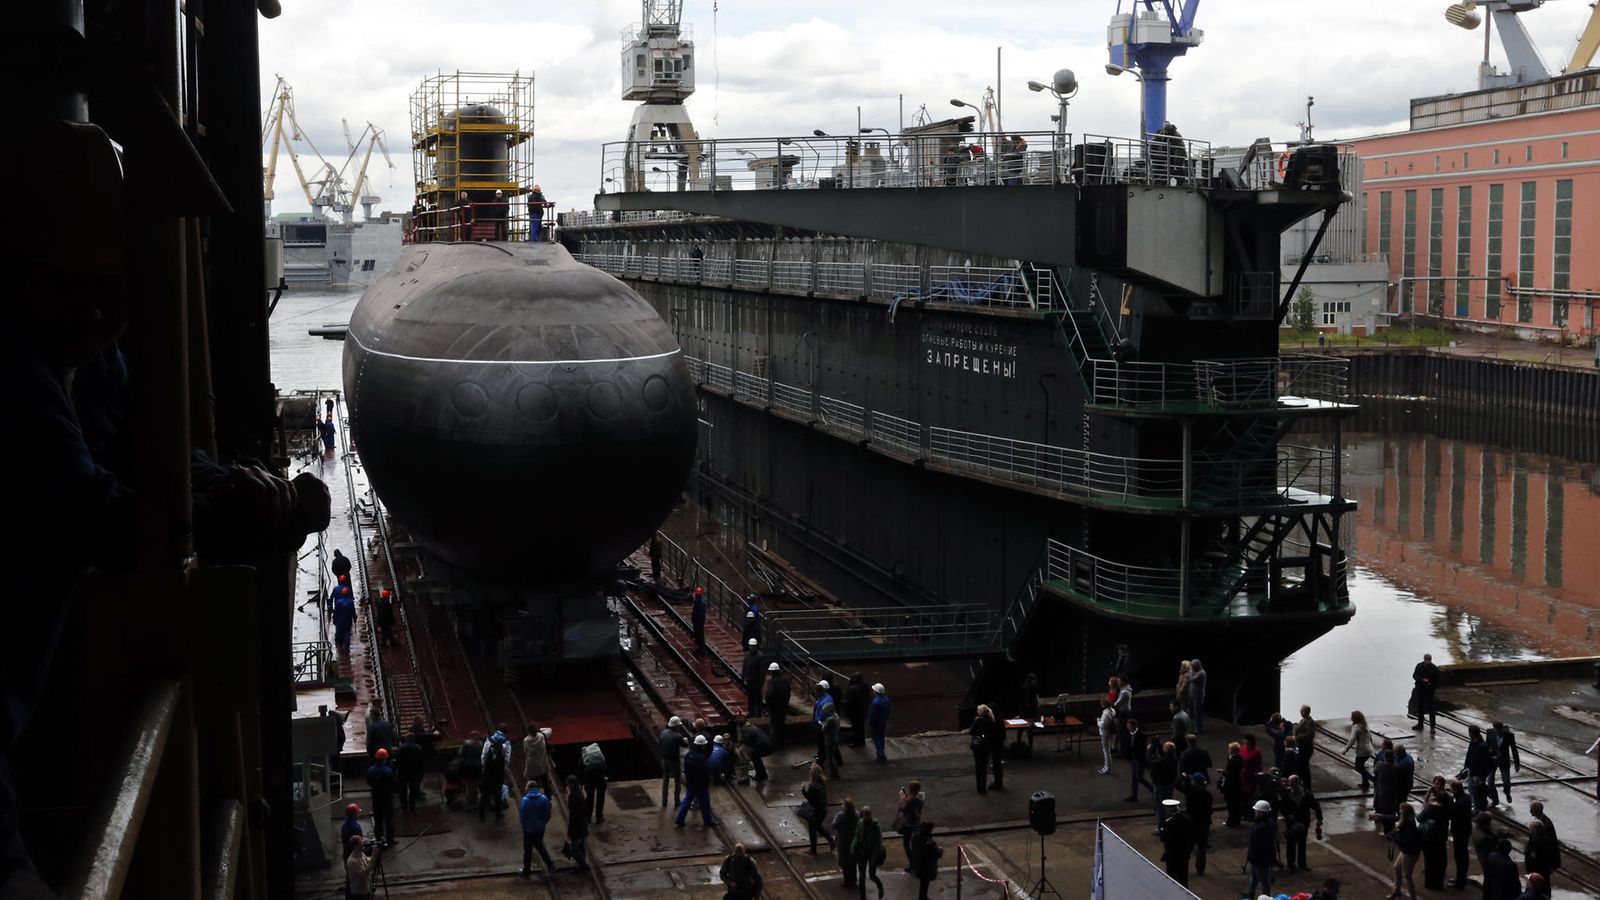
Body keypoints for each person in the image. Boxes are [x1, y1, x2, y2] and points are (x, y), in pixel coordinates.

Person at [1280, 773, 1322, 871]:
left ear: (1297, 782)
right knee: (1291, 844)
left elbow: (1316, 805)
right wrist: (1288, 815)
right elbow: (1282, 807)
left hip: (1302, 822)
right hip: (1292, 823)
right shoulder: (1287, 794)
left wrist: (1320, 818)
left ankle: (1301, 864)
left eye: (1291, 782)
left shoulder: (1306, 794)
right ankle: (1291, 865)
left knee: (1301, 844)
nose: (1289, 783)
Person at [675, 734, 717, 828]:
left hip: (690, 783)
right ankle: (708, 820)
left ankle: (679, 819)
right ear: (702, 745)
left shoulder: (688, 755)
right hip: (701, 784)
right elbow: (706, 772)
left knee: (686, 801)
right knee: (705, 803)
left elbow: (685, 768)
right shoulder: (702, 758)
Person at [518, 781, 554, 877]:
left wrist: (525, 827)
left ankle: (526, 871)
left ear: (528, 788)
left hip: (529, 830)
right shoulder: (544, 798)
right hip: (540, 829)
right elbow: (548, 814)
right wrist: (543, 823)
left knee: (528, 851)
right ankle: (550, 864)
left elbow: (523, 817)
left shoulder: (525, 800)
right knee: (539, 845)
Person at [1158, 798, 1195, 887]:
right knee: (1183, 877)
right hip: (1184, 853)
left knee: (1172, 878)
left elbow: (1164, 838)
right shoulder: (1187, 819)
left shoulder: (1169, 823)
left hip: (1172, 854)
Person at [1181, 772, 1213, 875]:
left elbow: (1178, 785)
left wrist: (1184, 778)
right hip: (1204, 824)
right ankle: (1200, 869)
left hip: (1192, 823)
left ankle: (1183, 867)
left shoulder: (1191, 793)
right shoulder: (1207, 794)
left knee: (1187, 847)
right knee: (1202, 848)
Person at [1390, 802, 1423, 900]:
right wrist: (1380, 815)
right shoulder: (1406, 822)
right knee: (1396, 868)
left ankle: (1413, 898)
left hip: (1410, 853)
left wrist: (1395, 838)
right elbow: (1393, 818)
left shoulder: (1409, 826)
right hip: (1406, 851)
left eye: (1401, 811)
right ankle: (1396, 891)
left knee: (1407, 876)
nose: (1399, 813)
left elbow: (1407, 842)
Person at [1419, 789, 1450, 889]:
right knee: (1440, 861)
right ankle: (1438, 883)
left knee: (1429, 862)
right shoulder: (1447, 809)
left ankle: (1429, 883)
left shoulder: (1430, 808)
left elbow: (1419, 818)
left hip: (1429, 838)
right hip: (1441, 838)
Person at [1246, 798, 1278, 898]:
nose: (1255, 813)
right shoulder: (1269, 824)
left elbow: (1256, 844)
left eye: (1256, 811)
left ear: (1261, 813)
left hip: (1260, 860)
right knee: (1255, 880)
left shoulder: (1260, 827)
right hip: (1260, 859)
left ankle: (1262, 897)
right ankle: (1251, 894)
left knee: (1263, 883)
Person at [801, 763, 835, 853]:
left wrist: (803, 790)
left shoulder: (812, 786)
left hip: (815, 811)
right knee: (818, 826)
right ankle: (831, 841)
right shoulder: (822, 782)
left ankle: (813, 849)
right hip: (823, 809)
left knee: (812, 829)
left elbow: (810, 798)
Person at [366, 748, 397, 844]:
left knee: (378, 819)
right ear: (385, 759)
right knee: (389, 819)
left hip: (376, 797)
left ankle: (379, 840)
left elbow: (369, 782)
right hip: (387, 798)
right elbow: (394, 783)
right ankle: (390, 840)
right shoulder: (388, 771)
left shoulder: (371, 770)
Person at [968, 704, 1001, 795]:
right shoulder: (991, 719)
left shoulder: (978, 720)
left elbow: (971, 731)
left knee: (979, 767)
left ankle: (980, 788)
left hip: (978, 746)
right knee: (984, 766)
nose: (977, 712)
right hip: (987, 746)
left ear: (981, 712)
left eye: (979, 711)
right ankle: (983, 787)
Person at [854, 805, 885, 899]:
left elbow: (878, 844)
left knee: (872, 876)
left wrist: (874, 859)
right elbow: (857, 836)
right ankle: (862, 898)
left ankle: (880, 887)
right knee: (862, 877)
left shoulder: (876, 826)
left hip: (872, 854)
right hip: (863, 852)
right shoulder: (860, 823)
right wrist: (853, 847)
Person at [1465, 724, 1498, 811]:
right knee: (1472, 789)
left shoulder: (1482, 746)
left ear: (1472, 733)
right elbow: (1469, 754)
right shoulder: (1473, 742)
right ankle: (1476, 806)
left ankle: (1479, 807)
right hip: (1472, 771)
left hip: (1478, 773)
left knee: (1477, 791)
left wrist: (1481, 776)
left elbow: (1485, 763)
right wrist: (1466, 766)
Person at [480, 728, 510, 822]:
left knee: (485, 793)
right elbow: (507, 759)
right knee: (498, 793)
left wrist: (484, 768)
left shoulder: (489, 740)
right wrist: (504, 769)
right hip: (498, 772)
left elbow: (483, 755)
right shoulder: (506, 743)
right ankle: (498, 815)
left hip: (488, 771)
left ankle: (481, 815)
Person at [1449, 778, 1474, 889]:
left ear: (1456, 789)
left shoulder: (1459, 803)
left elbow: (1453, 814)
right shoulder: (1466, 798)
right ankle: (1460, 878)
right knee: (1462, 855)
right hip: (1465, 830)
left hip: (1460, 831)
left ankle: (1460, 881)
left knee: (1459, 856)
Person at [1524, 803, 1559, 880]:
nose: (1530, 811)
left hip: (1540, 864)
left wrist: (1552, 864)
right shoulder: (1538, 821)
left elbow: (1551, 846)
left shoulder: (1547, 825)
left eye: (1531, 810)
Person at [564, 775, 590, 873]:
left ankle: (583, 865)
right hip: (582, 825)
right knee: (581, 846)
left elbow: (572, 809)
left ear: (572, 784)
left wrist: (568, 797)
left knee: (574, 848)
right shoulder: (579, 793)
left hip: (577, 826)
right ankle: (582, 864)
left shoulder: (575, 796)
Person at [659, 716, 687, 807]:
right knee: (677, 781)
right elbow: (685, 745)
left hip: (664, 760)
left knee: (665, 780)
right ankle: (677, 801)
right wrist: (685, 740)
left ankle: (664, 801)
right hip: (674, 761)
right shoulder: (677, 736)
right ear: (676, 726)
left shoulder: (663, 733)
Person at [895, 781, 924, 867]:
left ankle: (913, 864)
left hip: (909, 825)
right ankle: (916, 862)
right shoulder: (920, 798)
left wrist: (902, 799)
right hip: (917, 824)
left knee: (907, 845)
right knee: (915, 845)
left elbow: (902, 808)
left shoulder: (909, 800)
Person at [1150, 740, 1179, 824]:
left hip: (1160, 784)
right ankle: (1168, 822)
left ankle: (1161, 825)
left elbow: (1151, 763)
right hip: (1170, 783)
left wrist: (1150, 751)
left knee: (1159, 804)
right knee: (1168, 803)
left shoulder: (1164, 760)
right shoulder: (1173, 757)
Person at [1489, 722, 1520, 800]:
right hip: (1492, 760)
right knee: (1490, 781)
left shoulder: (1509, 735)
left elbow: (1514, 749)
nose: (1498, 732)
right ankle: (1494, 799)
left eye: (1499, 730)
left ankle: (1507, 793)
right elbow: (1488, 745)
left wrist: (1517, 763)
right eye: (1496, 730)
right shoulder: (1490, 733)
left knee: (1506, 781)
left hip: (1504, 761)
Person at [910, 821, 941, 900]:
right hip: (926, 868)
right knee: (925, 882)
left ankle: (923, 896)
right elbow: (936, 854)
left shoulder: (915, 838)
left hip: (917, 864)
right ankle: (923, 897)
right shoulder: (929, 843)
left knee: (923, 883)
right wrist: (940, 850)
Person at [395, 730, 423, 814]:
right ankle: (412, 808)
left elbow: (397, 761)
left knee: (402, 791)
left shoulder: (400, 748)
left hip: (402, 772)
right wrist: (421, 773)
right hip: (414, 772)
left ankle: (404, 808)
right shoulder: (418, 748)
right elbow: (421, 763)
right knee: (413, 790)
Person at [833, 798, 860, 887]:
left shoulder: (841, 815)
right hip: (854, 840)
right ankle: (854, 879)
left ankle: (847, 881)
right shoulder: (857, 814)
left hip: (843, 840)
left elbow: (834, 825)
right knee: (852, 860)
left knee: (844, 861)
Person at [1345, 710, 1374, 791]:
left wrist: (1345, 749)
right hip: (1369, 750)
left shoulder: (1356, 728)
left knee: (1358, 768)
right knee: (1362, 766)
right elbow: (1370, 738)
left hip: (1362, 751)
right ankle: (1365, 783)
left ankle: (1373, 780)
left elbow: (1352, 740)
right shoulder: (1366, 725)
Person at [344, 834, 380, 900]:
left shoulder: (361, 854)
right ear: (356, 845)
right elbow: (364, 873)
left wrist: (374, 854)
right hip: (359, 893)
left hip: (365, 888)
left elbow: (368, 860)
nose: (363, 843)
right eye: (361, 842)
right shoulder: (352, 861)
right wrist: (374, 857)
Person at [580, 741, 608, 825]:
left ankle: (588, 818)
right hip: (600, 779)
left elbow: (580, 771)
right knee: (601, 798)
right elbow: (604, 767)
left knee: (589, 798)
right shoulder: (600, 756)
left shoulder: (584, 757)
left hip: (589, 779)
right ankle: (599, 817)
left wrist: (582, 782)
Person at [765, 663, 791, 749]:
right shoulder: (785, 681)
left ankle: (774, 745)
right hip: (783, 708)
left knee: (774, 727)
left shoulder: (772, 682)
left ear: (772, 672)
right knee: (781, 726)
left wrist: (768, 705)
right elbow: (788, 694)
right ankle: (781, 744)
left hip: (774, 709)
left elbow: (769, 696)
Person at [1412, 653, 1440, 731]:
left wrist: (1430, 683)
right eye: (1426, 660)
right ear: (1424, 659)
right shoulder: (1419, 666)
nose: (1427, 662)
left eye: (1429, 660)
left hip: (1429, 690)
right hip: (1420, 689)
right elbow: (1414, 676)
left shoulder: (1434, 668)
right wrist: (1422, 680)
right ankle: (1420, 724)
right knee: (1420, 707)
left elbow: (1437, 680)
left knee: (1431, 708)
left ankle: (1432, 727)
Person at [523, 722, 552, 795]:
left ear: (529, 731)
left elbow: (525, 751)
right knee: (545, 782)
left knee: (533, 784)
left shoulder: (526, 740)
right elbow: (549, 729)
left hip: (532, 766)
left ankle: (534, 796)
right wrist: (540, 729)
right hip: (542, 764)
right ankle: (548, 798)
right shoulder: (541, 736)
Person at [1221, 740, 1245, 827]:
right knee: (1236, 804)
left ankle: (1231, 821)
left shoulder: (1233, 761)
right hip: (1237, 784)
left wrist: (1224, 773)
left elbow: (1230, 773)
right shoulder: (1240, 759)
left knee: (1231, 804)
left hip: (1231, 785)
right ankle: (1236, 821)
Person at [458, 731, 483, 810]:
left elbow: (460, 753)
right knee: (475, 787)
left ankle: (469, 805)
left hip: (468, 767)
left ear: (470, 736)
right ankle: (475, 804)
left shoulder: (466, 743)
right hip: (478, 767)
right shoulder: (481, 744)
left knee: (469, 786)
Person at [1293, 705, 1317, 786]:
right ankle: (1302, 784)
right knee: (1301, 767)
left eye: (1302, 711)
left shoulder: (1309, 722)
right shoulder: (1303, 720)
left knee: (1304, 768)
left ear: (1306, 712)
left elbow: (1310, 734)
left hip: (1306, 749)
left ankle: (1306, 786)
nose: (1300, 712)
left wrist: (1297, 737)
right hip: (1302, 748)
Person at [813, 680, 836, 762]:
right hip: (820, 723)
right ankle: (823, 756)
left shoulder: (825, 701)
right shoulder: (825, 698)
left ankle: (821, 759)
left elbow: (823, 714)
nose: (815, 694)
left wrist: (818, 722)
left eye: (816, 692)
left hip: (821, 724)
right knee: (826, 743)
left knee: (822, 743)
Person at [867, 683, 891, 762]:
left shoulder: (875, 702)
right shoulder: (886, 700)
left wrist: (870, 722)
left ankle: (881, 755)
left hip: (876, 723)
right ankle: (881, 753)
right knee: (881, 737)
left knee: (877, 738)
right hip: (883, 722)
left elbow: (872, 714)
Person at [844, 674, 868, 748]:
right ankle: (862, 741)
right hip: (863, 710)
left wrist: (847, 712)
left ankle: (856, 743)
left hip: (855, 712)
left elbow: (848, 702)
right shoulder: (865, 686)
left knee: (855, 728)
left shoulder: (852, 689)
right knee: (861, 727)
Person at [741, 639, 765, 716]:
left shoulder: (760, 656)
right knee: (750, 697)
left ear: (756, 646)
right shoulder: (747, 654)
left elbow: (762, 671)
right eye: (751, 646)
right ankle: (751, 711)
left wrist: (761, 682)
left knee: (757, 697)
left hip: (756, 681)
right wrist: (743, 677)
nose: (752, 647)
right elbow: (745, 666)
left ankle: (758, 712)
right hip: (749, 680)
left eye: (753, 646)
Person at [821, 702, 843, 779]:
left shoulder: (830, 719)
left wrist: (822, 724)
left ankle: (833, 774)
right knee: (832, 755)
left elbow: (824, 729)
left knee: (830, 757)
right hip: (835, 737)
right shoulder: (836, 716)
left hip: (829, 739)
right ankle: (835, 773)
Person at [1240, 733, 1264, 799]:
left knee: (1249, 793)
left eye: (1245, 740)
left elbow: (1258, 765)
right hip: (1242, 774)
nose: (1243, 741)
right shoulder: (1243, 748)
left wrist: (1256, 775)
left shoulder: (1256, 752)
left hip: (1250, 776)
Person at [1188, 659, 1207, 732]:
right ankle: (1195, 727)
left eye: (1192, 666)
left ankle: (1199, 729)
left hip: (1198, 696)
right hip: (1194, 695)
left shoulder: (1201, 673)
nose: (1191, 667)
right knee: (1194, 712)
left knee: (1198, 713)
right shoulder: (1196, 672)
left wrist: (1190, 670)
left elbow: (1191, 679)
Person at [691, 586, 707, 654]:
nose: (696, 596)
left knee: (700, 635)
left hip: (699, 622)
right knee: (697, 635)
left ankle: (701, 649)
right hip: (696, 621)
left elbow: (701, 614)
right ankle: (699, 648)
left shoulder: (701, 603)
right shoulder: (698, 601)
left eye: (697, 595)